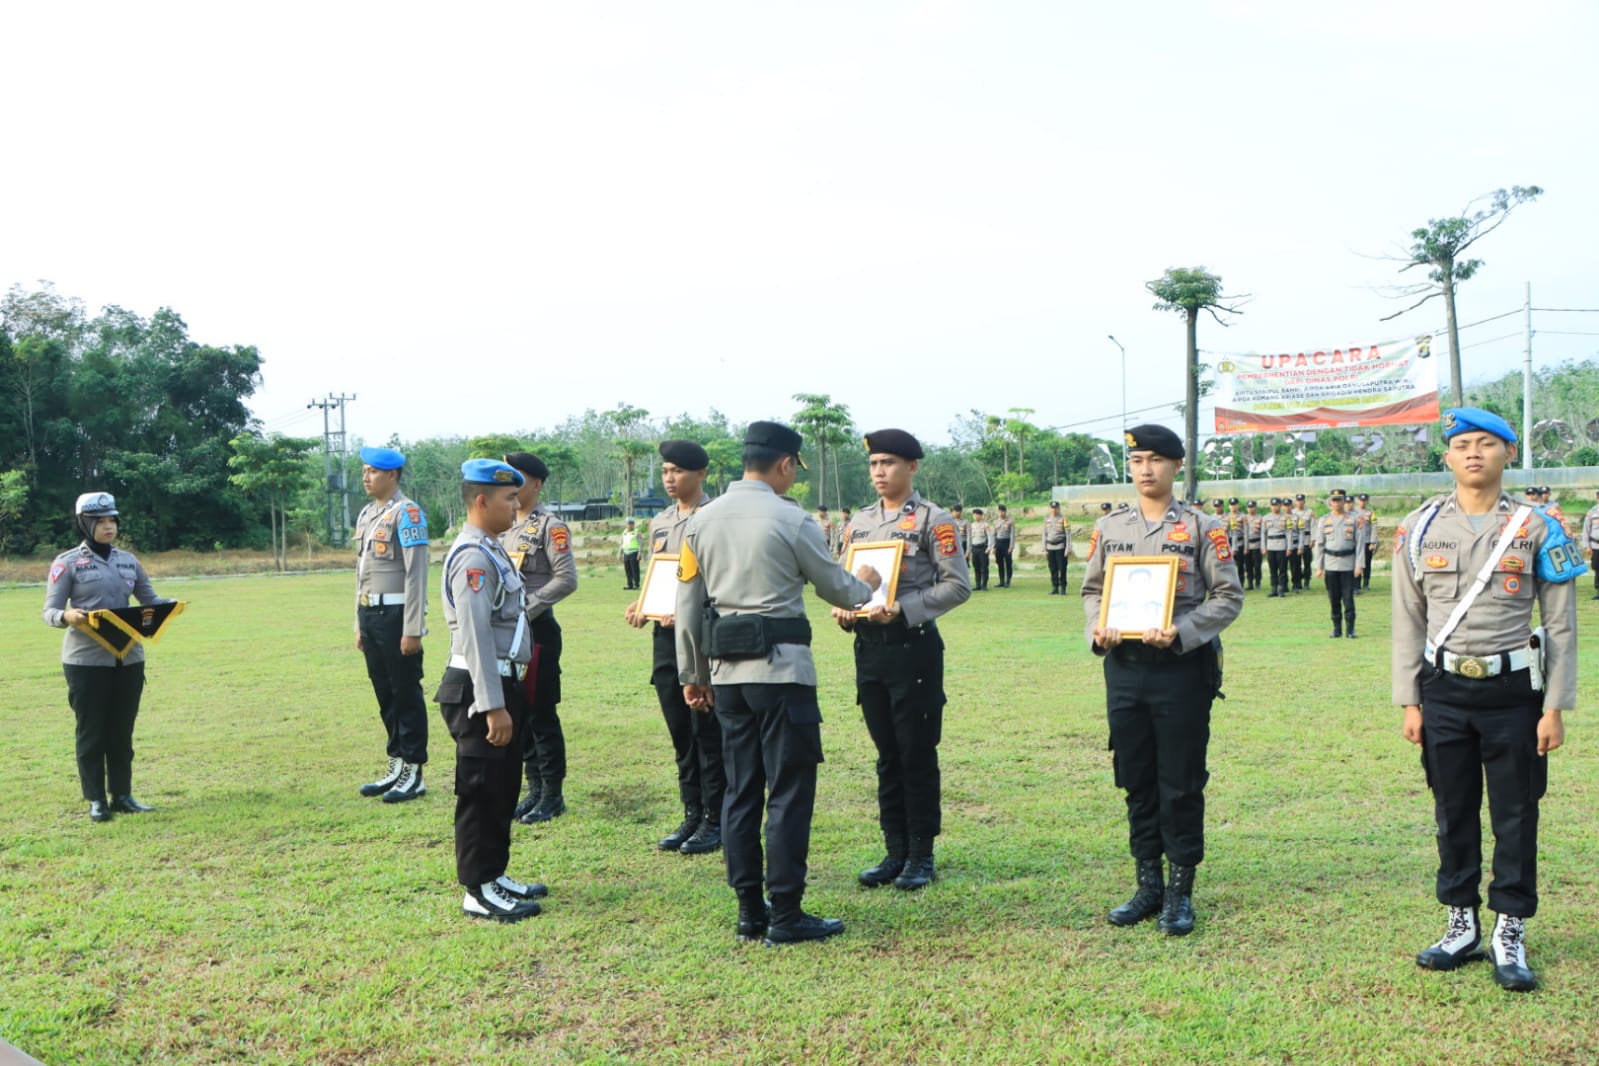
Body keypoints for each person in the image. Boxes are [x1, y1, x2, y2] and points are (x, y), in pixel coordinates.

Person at [1394, 407, 1581, 992]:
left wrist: (1555, 706)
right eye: (1462, 444)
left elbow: (1562, 625)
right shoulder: (1419, 527)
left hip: (1514, 695)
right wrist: (1410, 700)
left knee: (1516, 813)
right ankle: (1460, 923)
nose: (1473, 452)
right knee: (1452, 810)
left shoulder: (1539, 526)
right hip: (1442, 690)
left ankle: (1509, 930)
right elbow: (1407, 619)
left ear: (1508, 453)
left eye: (1487, 443)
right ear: (1447, 457)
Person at [675, 420, 880, 946]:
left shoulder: (701, 522)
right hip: (783, 674)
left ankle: (750, 910)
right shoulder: (791, 520)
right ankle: (786, 912)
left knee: (740, 790)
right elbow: (840, 588)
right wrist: (870, 584)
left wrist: (692, 675)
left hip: (727, 677)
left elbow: (688, 606)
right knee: (788, 791)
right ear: (785, 464)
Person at [1082, 424, 1243, 937]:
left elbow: (1228, 597)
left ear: (1176, 466)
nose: (1145, 470)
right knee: (1136, 776)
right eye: (1136, 461)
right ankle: (1147, 883)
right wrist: (1097, 628)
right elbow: (1091, 591)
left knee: (1180, 780)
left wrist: (1182, 632)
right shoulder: (1110, 529)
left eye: (1155, 460)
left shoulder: (1202, 527)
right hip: (1124, 668)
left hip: (1180, 668)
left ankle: (1179, 891)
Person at [832, 430, 970, 891]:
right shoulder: (859, 524)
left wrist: (905, 609)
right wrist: (844, 609)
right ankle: (894, 850)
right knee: (887, 755)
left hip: (913, 648)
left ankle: (921, 854)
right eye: (873, 465)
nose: (878, 473)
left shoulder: (935, 520)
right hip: (869, 649)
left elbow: (957, 585)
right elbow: (843, 579)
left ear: (912, 467)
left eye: (888, 463)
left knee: (915, 752)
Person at [435, 459, 547, 921]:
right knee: (481, 792)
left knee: (502, 788)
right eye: (508, 498)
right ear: (481, 501)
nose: (516, 505)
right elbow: (477, 635)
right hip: (481, 688)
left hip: (502, 682)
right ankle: (476, 890)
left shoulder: (493, 548)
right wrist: (493, 705)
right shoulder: (474, 557)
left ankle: (494, 874)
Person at [42, 492, 171, 822]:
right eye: (100, 521)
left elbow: (148, 600)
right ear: (85, 523)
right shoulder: (67, 562)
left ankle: (122, 795)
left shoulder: (129, 560)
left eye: (112, 520)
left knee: (121, 730)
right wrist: (66, 617)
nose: (108, 526)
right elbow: (50, 611)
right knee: (92, 731)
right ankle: (96, 799)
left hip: (128, 657)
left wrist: (168, 607)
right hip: (86, 661)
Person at [625, 439, 725, 855]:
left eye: (678, 471)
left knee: (708, 732)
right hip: (665, 638)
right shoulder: (661, 522)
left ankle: (715, 819)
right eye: (665, 471)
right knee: (680, 731)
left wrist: (684, 609)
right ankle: (692, 813)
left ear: (701, 474)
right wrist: (643, 603)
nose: (669, 479)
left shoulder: (718, 518)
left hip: (703, 634)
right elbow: (659, 574)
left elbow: (722, 579)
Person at [502, 452, 579, 825]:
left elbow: (566, 579)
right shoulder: (501, 527)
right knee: (520, 714)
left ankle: (553, 795)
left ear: (536, 484)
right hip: (507, 635)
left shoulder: (550, 526)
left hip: (537, 632)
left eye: (518, 478)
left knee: (541, 713)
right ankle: (533, 790)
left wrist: (526, 609)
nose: (511, 485)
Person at [352, 446, 431, 804]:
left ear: (393, 475)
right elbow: (361, 574)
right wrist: (358, 622)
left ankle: (414, 769)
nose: (366, 477)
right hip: (371, 615)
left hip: (398, 616)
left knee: (406, 693)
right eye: (365, 470)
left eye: (373, 471)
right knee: (384, 693)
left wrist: (412, 627)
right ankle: (396, 763)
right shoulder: (369, 514)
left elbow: (416, 574)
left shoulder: (408, 514)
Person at [1314, 490, 1367, 638]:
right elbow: (1319, 544)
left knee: (1348, 598)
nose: (1337, 503)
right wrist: (1319, 566)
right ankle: (1337, 629)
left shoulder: (1354, 520)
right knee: (1334, 598)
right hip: (1330, 564)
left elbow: (1359, 544)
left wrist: (1359, 565)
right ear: (1330, 503)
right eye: (1334, 500)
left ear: (1344, 501)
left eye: (1339, 500)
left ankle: (1350, 630)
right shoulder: (1324, 521)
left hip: (1348, 564)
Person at [1262, 497, 1290, 598]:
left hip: (1282, 546)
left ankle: (1281, 589)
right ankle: (1274, 589)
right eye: (1273, 505)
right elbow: (1263, 534)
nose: (1274, 507)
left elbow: (1289, 533)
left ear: (1280, 506)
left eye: (1277, 505)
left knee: (1282, 569)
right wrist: (1263, 547)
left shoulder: (1286, 517)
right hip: (1270, 546)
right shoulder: (1266, 518)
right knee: (1272, 569)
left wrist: (1289, 547)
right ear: (1270, 506)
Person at [1044, 502, 1072, 594]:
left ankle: (1063, 588)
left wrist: (1068, 548)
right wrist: (1044, 548)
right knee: (1053, 568)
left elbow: (1068, 534)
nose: (1054, 510)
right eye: (1052, 508)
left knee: (1062, 568)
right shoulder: (1047, 519)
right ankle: (1055, 587)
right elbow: (1044, 534)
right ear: (1049, 509)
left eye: (1055, 508)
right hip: (1050, 547)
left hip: (1060, 547)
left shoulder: (1064, 519)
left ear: (1059, 508)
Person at [1355, 493, 1378, 590]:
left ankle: (1366, 583)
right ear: (1357, 501)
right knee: (1357, 563)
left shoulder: (1371, 513)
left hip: (1367, 541)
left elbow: (1374, 528)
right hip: (1356, 542)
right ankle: (1356, 584)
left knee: (1367, 563)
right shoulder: (1352, 512)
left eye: (1364, 500)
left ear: (1367, 501)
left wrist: (1373, 542)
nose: (1362, 502)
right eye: (1360, 500)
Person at [1289, 494, 1312, 592]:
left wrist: (1313, 539)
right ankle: (1297, 583)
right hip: (1296, 542)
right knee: (1296, 563)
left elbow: (1313, 526)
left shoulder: (1310, 512)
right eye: (1298, 500)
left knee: (1307, 563)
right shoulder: (1292, 513)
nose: (1299, 502)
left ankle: (1306, 581)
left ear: (1304, 501)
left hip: (1307, 540)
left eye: (1301, 500)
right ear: (1295, 502)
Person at [967, 507, 992, 591]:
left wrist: (989, 547)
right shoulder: (971, 525)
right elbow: (969, 538)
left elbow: (990, 536)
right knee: (976, 567)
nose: (975, 516)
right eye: (974, 515)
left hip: (983, 548)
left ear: (981, 516)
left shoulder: (985, 525)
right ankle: (978, 585)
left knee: (984, 567)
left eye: (977, 514)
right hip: (974, 548)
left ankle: (984, 585)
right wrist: (969, 549)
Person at [992, 504, 1016, 588]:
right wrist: (994, 546)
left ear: (1005, 511)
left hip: (1007, 543)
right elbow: (994, 535)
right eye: (999, 511)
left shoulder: (1010, 521)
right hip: (998, 543)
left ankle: (1008, 581)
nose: (1001, 513)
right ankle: (1001, 581)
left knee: (1008, 563)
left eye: (1002, 511)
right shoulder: (995, 522)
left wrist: (1011, 546)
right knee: (999, 563)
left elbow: (1012, 534)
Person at [1243, 500, 1264, 591]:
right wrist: (1246, 547)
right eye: (1249, 507)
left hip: (1257, 545)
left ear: (1256, 508)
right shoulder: (1245, 518)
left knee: (1257, 565)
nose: (1251, 509)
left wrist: (1263, 547)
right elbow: (1244, 534)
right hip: (1248, 545)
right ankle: (1250, 583)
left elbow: (1263, 533)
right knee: (1248, 566)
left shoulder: (1260, 518)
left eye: (1252, 507)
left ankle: (1258, 582)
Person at [1584, 489, 1599, 600]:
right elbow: (1586, 530)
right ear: (1597, 498)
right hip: (1596, 545)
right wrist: (1587, 545)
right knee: (1597, 568)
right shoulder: (1592, 512)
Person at [620, 519, 642, 590]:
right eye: (628, 524)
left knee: (634, 570)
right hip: (626, 553)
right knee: (628, 570)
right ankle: (630, 585)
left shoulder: (637, 531)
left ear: (633, 525)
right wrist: (620, 553)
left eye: (630, 524)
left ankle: (636, 585)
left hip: (634, 553)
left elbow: (640, 543)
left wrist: (639, 553)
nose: (629, 525)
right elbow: (622, 543)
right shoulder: (624, 532)